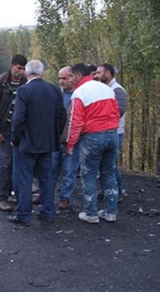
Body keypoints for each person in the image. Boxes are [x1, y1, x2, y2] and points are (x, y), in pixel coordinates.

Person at [8, 60, 65, 225]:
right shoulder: (54, 90)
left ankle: (23, 215)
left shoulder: (24, 91)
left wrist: (15, 139)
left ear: (26, 73)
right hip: (48, 143)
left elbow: (18, 119)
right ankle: (47, 212)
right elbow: (62, 116)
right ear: (42, 72)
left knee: (24, 179)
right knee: (46, 179)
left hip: (26, 144)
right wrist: (55, 134)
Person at [66, 63, 120, 224]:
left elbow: (76, 122)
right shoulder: (107, 89)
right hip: (112, 135)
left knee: (88, 175)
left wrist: (70, 144)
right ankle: (111, 212)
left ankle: (91, 213)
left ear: (77, 75)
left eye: (70, 76)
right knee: (109, 173)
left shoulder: (79, 93)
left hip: (93, 137)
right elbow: (116, 112)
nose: (70, 79)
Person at [0, 54, 27, 212]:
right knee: (5, 164)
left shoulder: (25, 83)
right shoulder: (0, 82)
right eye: (19, 68)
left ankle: (12, 193)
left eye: (24, 69)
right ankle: (1, 198)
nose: (21, 72)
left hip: (19, 131)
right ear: (12, 66)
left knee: (18, 164)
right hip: (4, 130)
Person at [95, 63, 128, 201]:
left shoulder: (117, 90)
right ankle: (107, 190)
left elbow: (118, 111)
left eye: (99, 72)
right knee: (104, 164)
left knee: (110, 165)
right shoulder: (107, 89)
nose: (96, 75)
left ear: (108, 74)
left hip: (115, 132)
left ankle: (117, 192)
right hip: (107, 131)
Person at [51, 66, 80, 209]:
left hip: (73, 140)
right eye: (59, 78)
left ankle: (65, 198)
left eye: (64, 78)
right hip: (55, 139)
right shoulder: (56, 94)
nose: (61, 81)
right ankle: (46, 195)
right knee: (51, 169)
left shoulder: (79, 95)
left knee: (69, 170)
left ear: (72, 77)